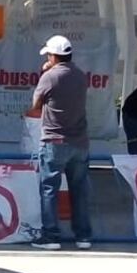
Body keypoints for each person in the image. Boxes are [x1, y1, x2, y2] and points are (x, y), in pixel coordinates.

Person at [30, 35, 93, 251]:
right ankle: (83, 236)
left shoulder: (50, 76)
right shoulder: (80, 76)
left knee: (49, 189)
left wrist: (44, 73)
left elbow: (36, 104)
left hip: (54, 140)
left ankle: (51, 237)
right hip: (80, 141)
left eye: (49, 54)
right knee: (80, 189)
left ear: (54, 56)